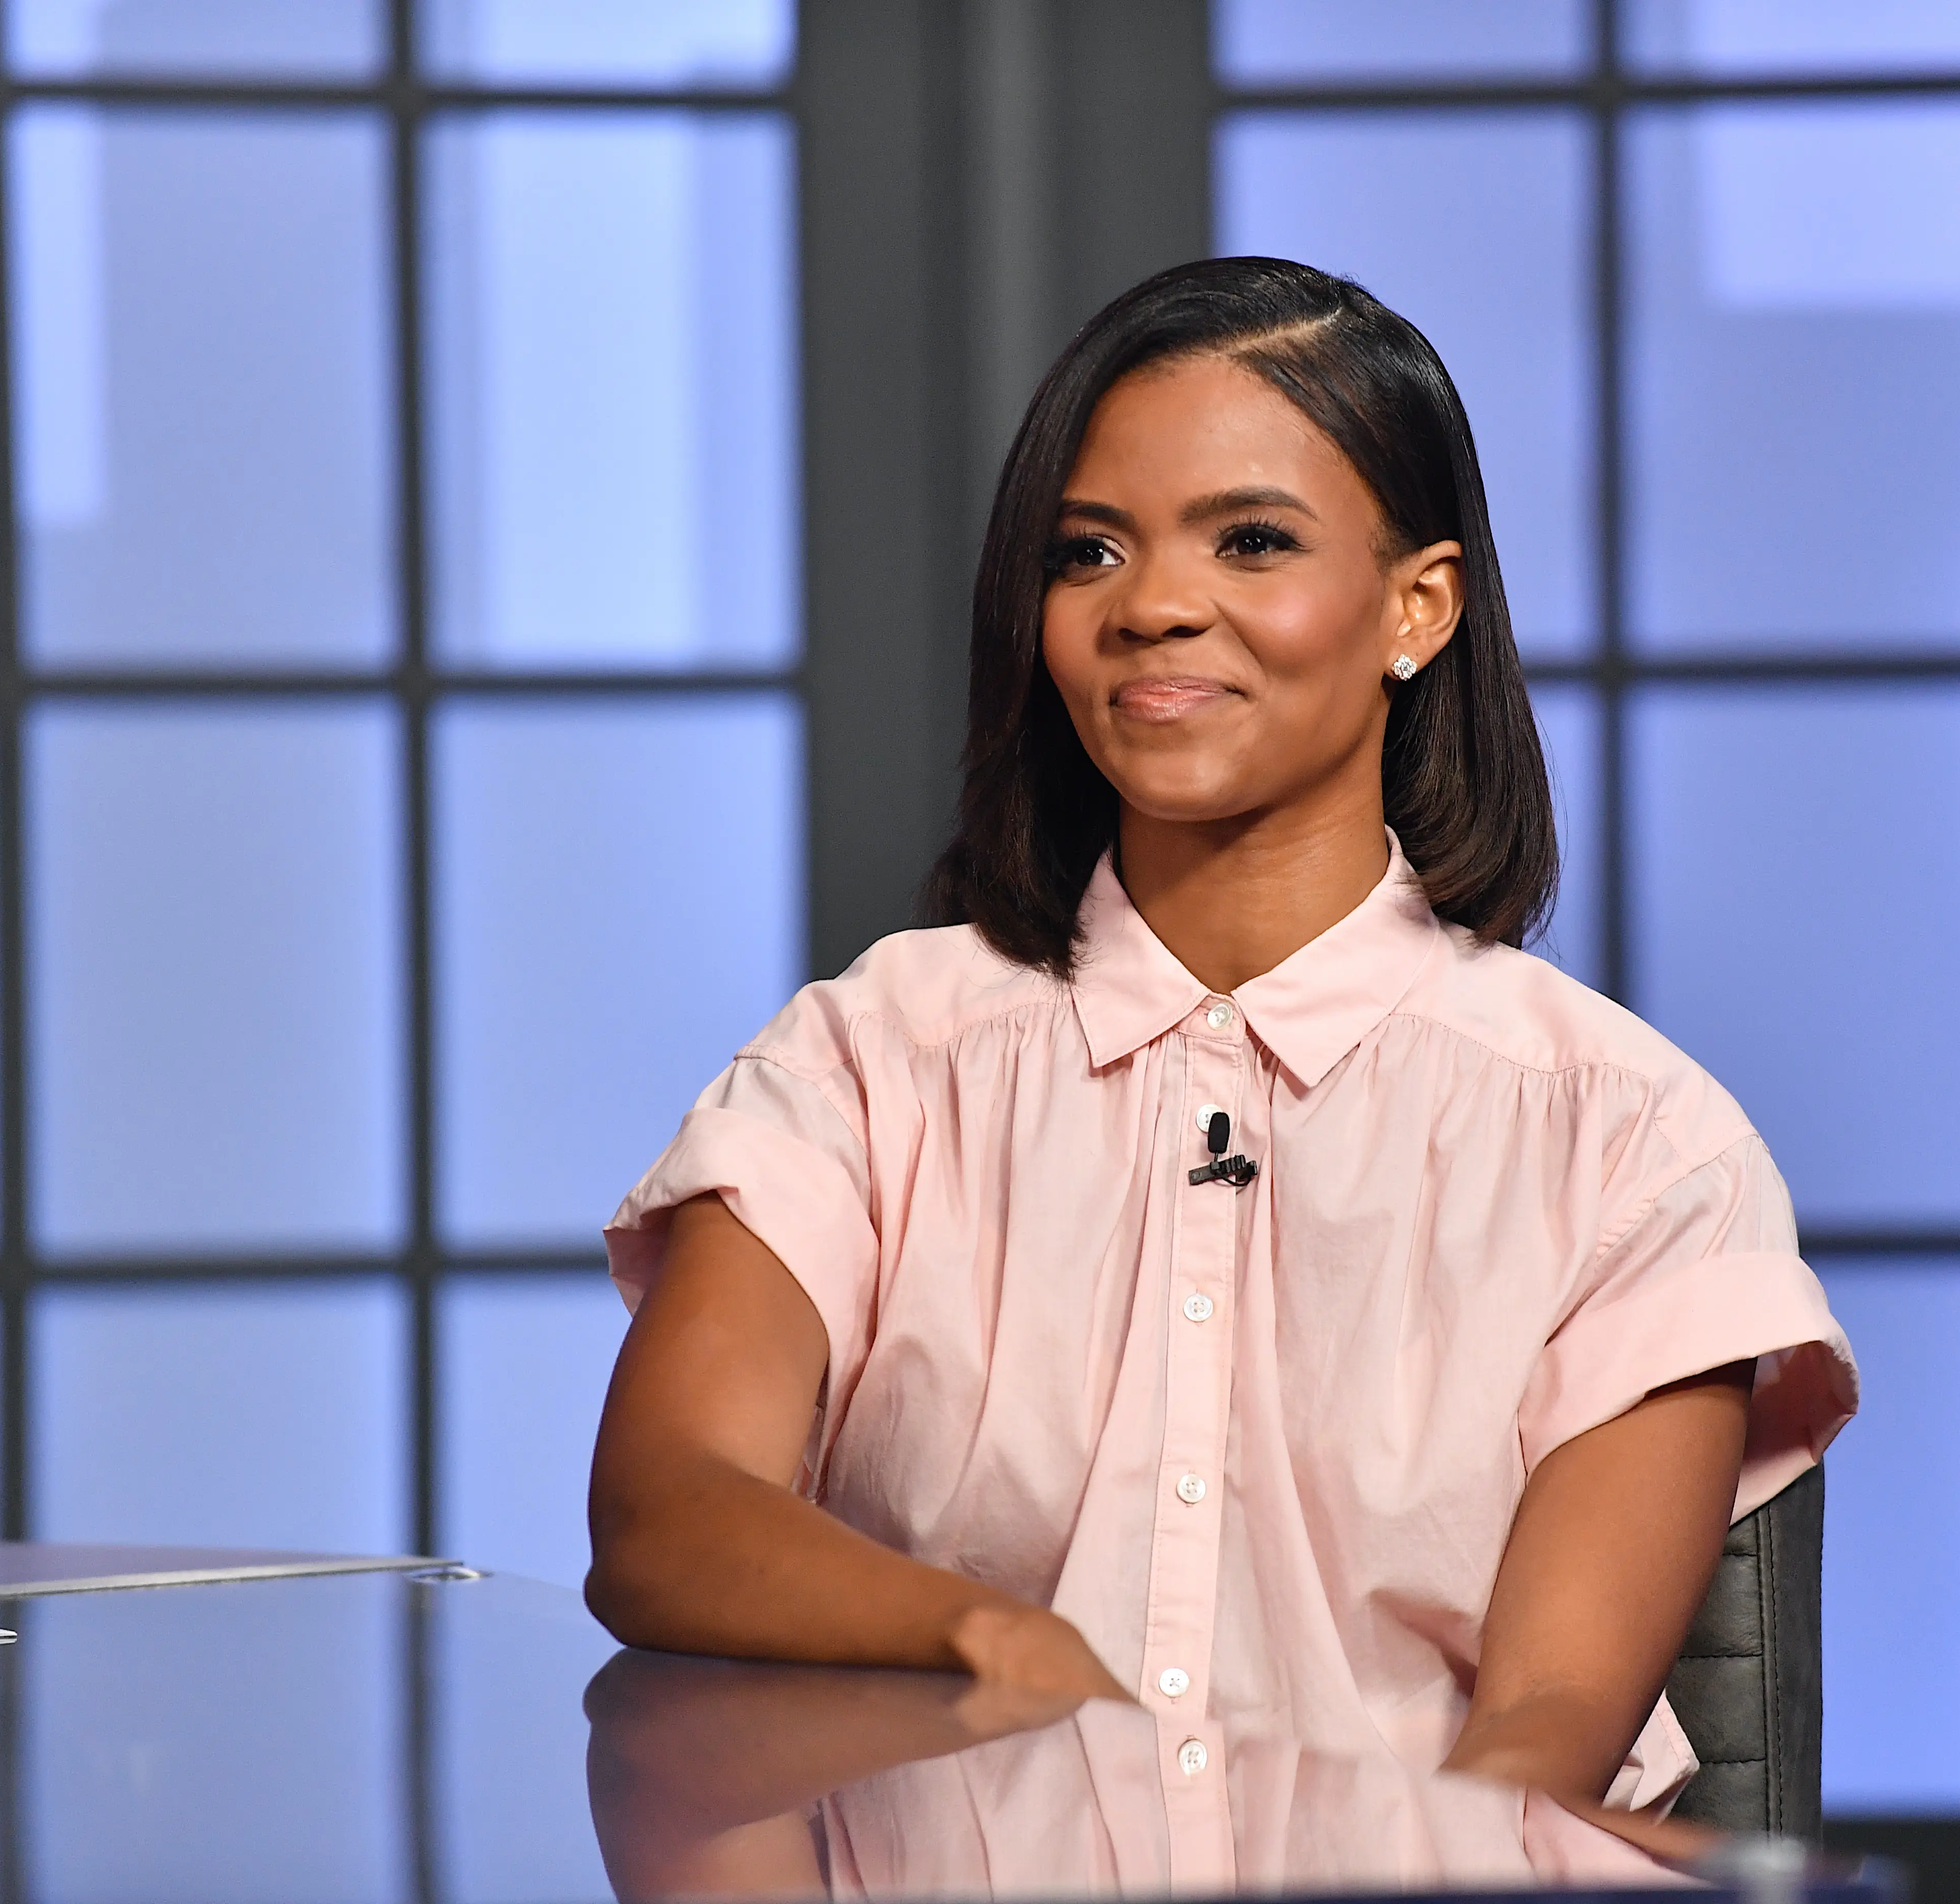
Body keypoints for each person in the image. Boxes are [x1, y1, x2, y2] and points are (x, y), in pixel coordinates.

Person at [586, 256, 1856, 1816]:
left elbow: (1543, 1733)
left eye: (1250, 540)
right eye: (1089, 551)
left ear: (1417, 605)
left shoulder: (1634, 1140)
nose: (1153, 607)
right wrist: (1001, 1649)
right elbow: (664, 1515)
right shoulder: (870, 1060)